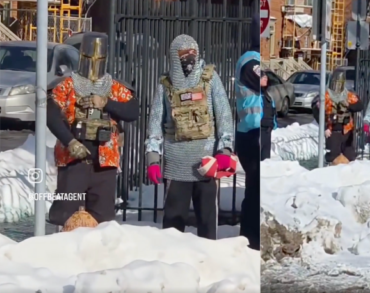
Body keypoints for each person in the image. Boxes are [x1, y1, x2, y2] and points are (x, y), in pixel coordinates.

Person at [145, 34, 235, 239]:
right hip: (177, 162)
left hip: (207, 162)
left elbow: (224, 116)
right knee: (172, 228)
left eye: (193, 53)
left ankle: (208, 257)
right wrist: (153, 158)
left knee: (207, 224)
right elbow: (155, 124)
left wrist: (225, 150)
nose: (189, 59)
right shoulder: (166, 84)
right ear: (174, 57)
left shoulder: (209, 79)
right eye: (184, 55)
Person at [47, 32, 139, 227]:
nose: (94, 62)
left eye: (99, 58)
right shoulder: (67, 86)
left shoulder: (114, 88)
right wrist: (70, 141)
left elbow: (132, 111)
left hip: (104, 162)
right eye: (90, 57)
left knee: (103, 220)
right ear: (82, 56)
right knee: (66, 215)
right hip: (73, 159)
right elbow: (51, 116)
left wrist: (106, 103)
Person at [234, 14, 266, 250]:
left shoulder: (256, 59)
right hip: (250, 132)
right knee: (255, 189)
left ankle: (254, 237)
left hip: (258, 131)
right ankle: (250, 238)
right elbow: (263, 82)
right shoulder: (250, 60)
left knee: (257, 188)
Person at [313, 72, 364, 164]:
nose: (337, 86)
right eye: (335, 83)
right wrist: (324, 127)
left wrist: (348, 106)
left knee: (349, 156)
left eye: (339, 84)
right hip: (332, 129)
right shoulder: (325, 96)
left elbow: (360, 105)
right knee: (333, 156)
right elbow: (316, 111)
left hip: (347, 130)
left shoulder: (348, 95)